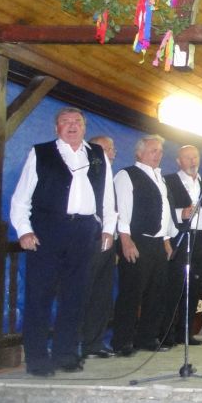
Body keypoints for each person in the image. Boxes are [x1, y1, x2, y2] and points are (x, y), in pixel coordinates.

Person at [10, 108, 115, 375]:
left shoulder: (98, 154)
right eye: (65, 122)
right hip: (48, 231)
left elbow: (107, 196)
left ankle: (65, 354)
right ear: (56, 128)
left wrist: (107, 228)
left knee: (75, 296)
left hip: (84, 232)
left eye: (77, 121)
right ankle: (37, 359)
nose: (72, 125)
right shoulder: (41, 153)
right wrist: (24, 230)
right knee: (40, 296)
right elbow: (21, 198)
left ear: (85, 127)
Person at [111, 134, 173, 356]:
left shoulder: (160, 178)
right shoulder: (126, 175)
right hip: (137, 240)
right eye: (153, 151)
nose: (158, 155)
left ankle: (147, 337)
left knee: (156, 292)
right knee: (131, 292)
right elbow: (121, 209)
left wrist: (166, 239)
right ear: (139, 153)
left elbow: (164, 212)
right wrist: (125, 239)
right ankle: (122, 341)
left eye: (160, 151)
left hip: (157, 242)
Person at [163, 145, 202, 347]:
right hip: (178, 236)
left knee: (194, 286)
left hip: (199, 237)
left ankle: (185, 332)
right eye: (187, 157)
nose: (193, 161)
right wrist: (180, 214)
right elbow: (165, 210)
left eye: (195, 157)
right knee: (174, 286)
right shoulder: (169, 181)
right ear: (178, 161)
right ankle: (166, 333)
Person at [80, 135, 118, 359]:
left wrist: (111, 234)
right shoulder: (86, 174)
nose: (111, 153)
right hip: (88, 239)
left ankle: (95, 343)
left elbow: (113, 209)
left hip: (107, 240)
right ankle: (78, 343)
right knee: (84, 291)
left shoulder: (109, 175)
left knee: (102, 294)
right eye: (105, 149)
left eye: (112, 149)